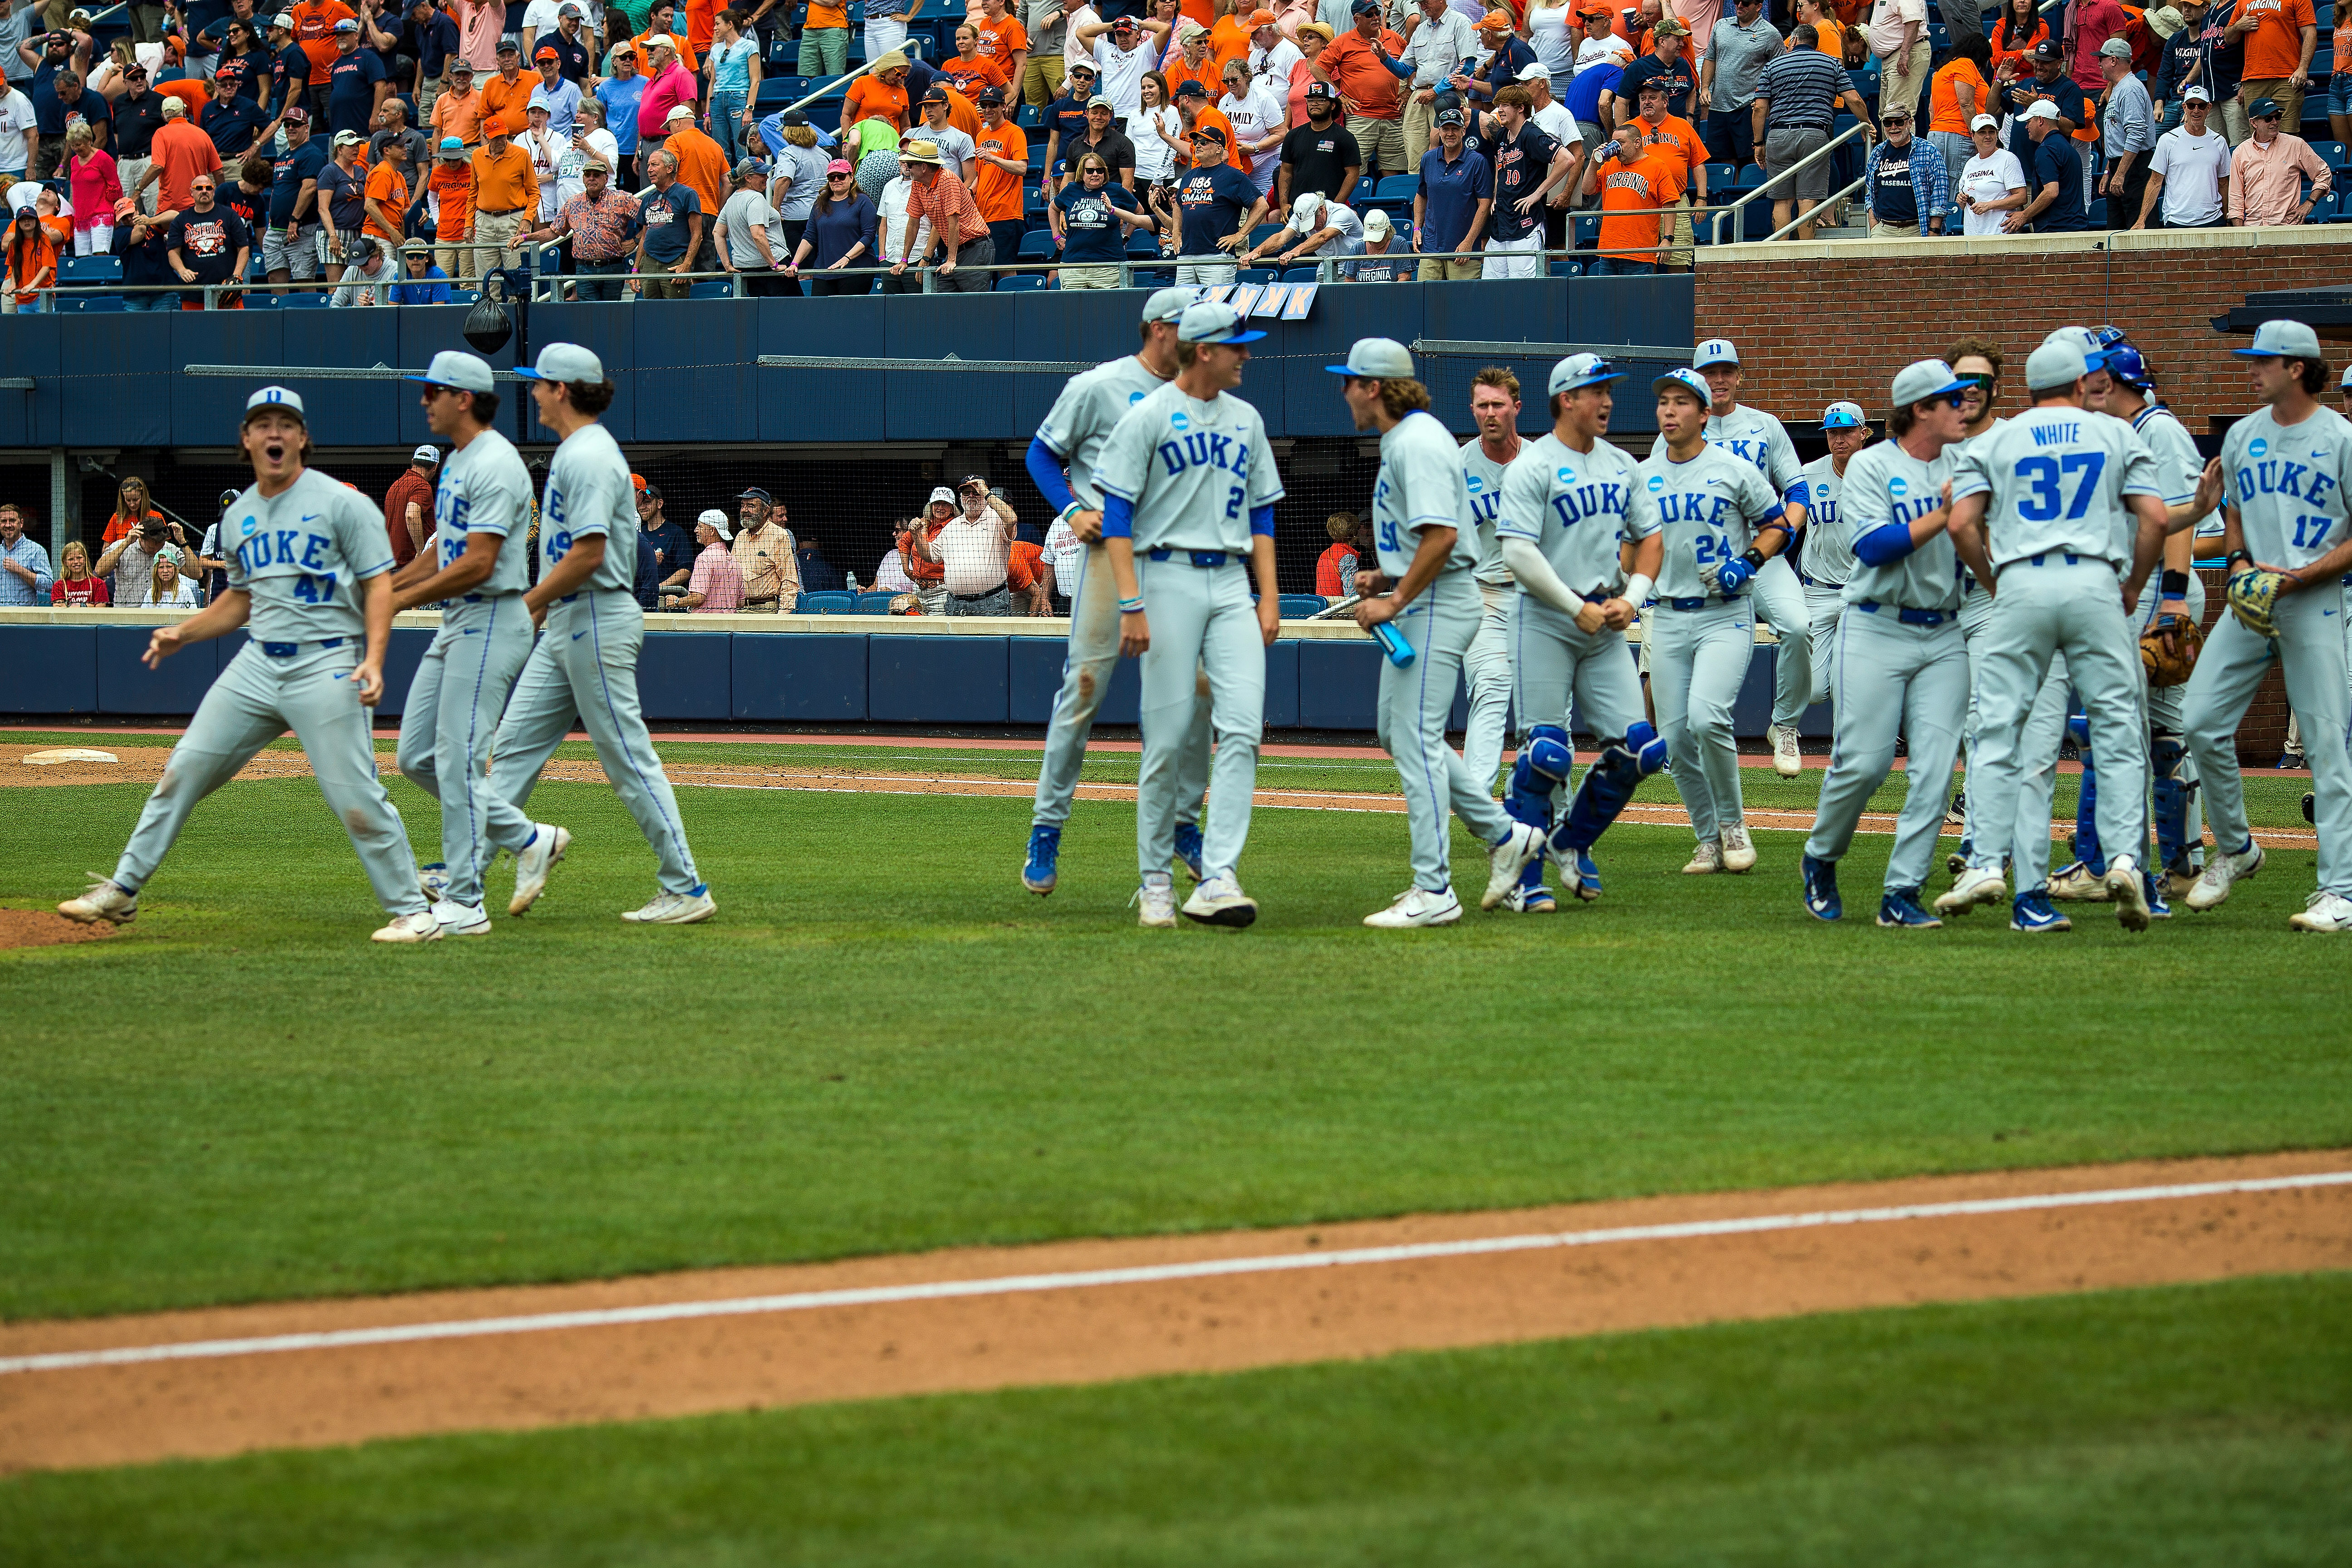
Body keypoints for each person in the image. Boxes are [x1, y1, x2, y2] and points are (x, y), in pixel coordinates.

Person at [58, 385, 438, 944]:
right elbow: (241, 599)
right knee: (181, 772)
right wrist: (183, 632)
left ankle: (414, 911)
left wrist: (376, 658)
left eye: (286, 423)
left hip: (327, 663)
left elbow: (379, 585)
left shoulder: (343, 504)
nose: (275, 433)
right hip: (258, 665)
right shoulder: (240, 519)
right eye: (263, 424)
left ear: (303, 438)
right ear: (246, 439)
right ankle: (124, 888)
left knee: (355, 796)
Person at [1938, 333, 2172, 933]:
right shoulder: (2117, 432)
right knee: (2118, 728)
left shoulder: (2001, 437)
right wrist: (2134, 582)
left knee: (2000, 730)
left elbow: (1963, 523)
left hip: (2021, 584)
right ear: (2080, 385)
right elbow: (2156, 517)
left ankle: (1990, 860)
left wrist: (1994, 579)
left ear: (2028, 387)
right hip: (2095, 580)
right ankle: (2123, 859)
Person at [489, 342, 714, 926]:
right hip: (568, 616)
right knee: (511, 749)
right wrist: (539, 612)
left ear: (561, 390)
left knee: (627, 761)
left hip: (596, 614)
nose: (532, 390)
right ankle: (458, 876)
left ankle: (686, 887)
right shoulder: (574, 452)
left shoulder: (588, 455)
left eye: (539, 382)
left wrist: (528, 604)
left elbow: (588, 553)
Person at [1326, 337, 1544, 926]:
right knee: (1399, 734)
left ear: (1374, 387)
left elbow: (1443, 537)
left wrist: (1395, 597)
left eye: (1349, 380)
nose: (1343, 389)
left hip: (1440, 603)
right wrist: (1388, 574)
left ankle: (1435, 889)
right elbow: (1432, 537)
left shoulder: (1415, 442)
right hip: (1436, 596)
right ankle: (1505, 835)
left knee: (1415, 738)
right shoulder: (1412, 437)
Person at [1089, 299, 1281, 928]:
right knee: (1168, 739)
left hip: (1230, 583)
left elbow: (1261, 515)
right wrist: (1131, 603)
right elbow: (1117, 517)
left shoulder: (1246, 419)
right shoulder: (1148, 416)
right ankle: (1155, 883)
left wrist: (1269, 597)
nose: (1245, 355)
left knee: (1244, 728)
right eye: (1236, 346)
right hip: (1164, 576)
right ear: (1204, 351)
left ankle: (1218, 874)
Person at [2173, 319, 2352, 927]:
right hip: (2252, 601)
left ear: (2298, 367)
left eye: (2263, 360)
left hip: (2315, 600)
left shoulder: (2341, 439)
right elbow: (2234, 509)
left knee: (2328, 747)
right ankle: (2240, 849)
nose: (2252, 368)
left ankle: (2342, 890)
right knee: (2198, 719)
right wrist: (2244, 562)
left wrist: (2298, 578)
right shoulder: (2245, 433)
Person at [1020, 286, 1198, 896]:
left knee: (1193, 692)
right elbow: (1042, 455)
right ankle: (1047, 827)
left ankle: (1183, 824)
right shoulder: (1099, 386)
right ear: (1157, 329)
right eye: (1185, 327)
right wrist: (1071, 510)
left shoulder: (1198, 391)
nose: (1195, 337)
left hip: (1172, 558)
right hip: (1106, 553)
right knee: (1085, 690)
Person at [1798, 361, 1972, 929]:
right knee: (1865, 764)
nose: (1963, 408)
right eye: (1950, 400)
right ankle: (1821, 857)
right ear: (1921, 409)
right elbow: (1874, 547)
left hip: (1946, 631)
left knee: (1936, 767)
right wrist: (1947, 515)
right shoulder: (1872, 465)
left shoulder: (1968, 463)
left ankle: (1903, 891)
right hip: (1876, 625)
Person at [378, 351, 539, 935]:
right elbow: (439, 552)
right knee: (416, 756)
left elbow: (478, 562)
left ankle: (465, 903)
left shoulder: (495, 462)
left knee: (459, 760)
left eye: (434, 391)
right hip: (459, 622)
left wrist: (396, 602)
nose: (425, 400)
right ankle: (528, 838)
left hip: (493, 617)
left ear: (464, 398)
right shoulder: (457, 461)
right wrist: (384, 588)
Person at [1639, 365, 1792, 876]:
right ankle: (1706, 838)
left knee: (1708, 718)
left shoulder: (1733, 468)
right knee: (1677, 738)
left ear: (1705, 414)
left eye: (1682, 402)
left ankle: (1734, 828)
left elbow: (1777, 527)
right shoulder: (1644, 474)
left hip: (1725, 614)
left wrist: (1746, 562)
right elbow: (1631, 546)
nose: (1670, 410)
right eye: (1664, 401)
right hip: (1667, 616)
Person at [1643, 338, 1815, 776]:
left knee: (1797, 627)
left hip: (1761, 557)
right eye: (1710, 372)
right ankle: (1673, 744)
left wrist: (1775, 540)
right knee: (1670, 653)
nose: (1719, 379)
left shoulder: (1765, 426)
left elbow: (1797, 492)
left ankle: (1786, 726)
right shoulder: (1670, 439)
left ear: (1740, 376)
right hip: (1696, 565)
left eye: (1726, 371)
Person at [1453, 366, 1521, 804]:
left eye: (1499, 404)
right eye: (1483, 405)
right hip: (1484, 595)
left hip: (1541, 597)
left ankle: (1549, 804)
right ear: (1473, 410)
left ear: (1516, 406)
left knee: (1550, 711)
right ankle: (1477, 799)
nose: (1491, 413)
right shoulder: (1457, 465)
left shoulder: (1543, 461)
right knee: (1491, 687)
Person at [1751, 24, 1869, 241]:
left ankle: (1780, 258)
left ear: (1794, 41)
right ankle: (1806, 258)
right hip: (1815, 136)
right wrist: (1866, 123)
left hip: (1779, 135)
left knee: (1782, 201)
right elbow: (1854, 99)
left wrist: (1759, 144)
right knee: (1808, 200)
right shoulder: (1831, 63)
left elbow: (1760, 108)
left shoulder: (1773, 66)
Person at [1791, 400, 1867, 721]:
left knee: (1847, 686)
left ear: (1864, 433)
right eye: (1832, 432)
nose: (1839, 439)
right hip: (1817, 590)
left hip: (1861, 592)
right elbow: (1786, 524)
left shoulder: (1879, 473)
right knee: (1814, 691)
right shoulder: (1808, 475)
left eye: (1847, 432)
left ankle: (1843, 763)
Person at [1156, 120, 1264, 284]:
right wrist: (1177, 233)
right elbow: (1178, 204)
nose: (1198, 145)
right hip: (1186, 255)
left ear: (1219, 148)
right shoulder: (1189, 175)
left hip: (1217, 257)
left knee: (1215, 308)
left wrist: (1240, 235)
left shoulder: (1233, 176)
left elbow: (1262, 205)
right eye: (1196, 142)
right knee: (1184, 308)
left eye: (1204, 142)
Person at [894, 135, 995, 290]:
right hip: (957, 251)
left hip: (975, 248)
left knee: (975, 305)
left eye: (910, 164)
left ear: (924, 167)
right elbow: (914, 222)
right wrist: (904, 260)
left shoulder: (947, 180)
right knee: (940, 299)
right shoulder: (918, 183)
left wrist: (951, 260)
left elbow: (954, 223)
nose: (906, 168)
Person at [1051, 145, 1149, 285]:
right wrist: (1056, 235)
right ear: (1082, 173)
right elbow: (1053, 208)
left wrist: (1126, 236)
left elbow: (1139, 211)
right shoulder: (1071, 190)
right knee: (1072, 308)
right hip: (1073, 267)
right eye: (1090, 171)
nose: (1095, 174)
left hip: (1109, 268)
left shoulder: (1115, 190)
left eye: (1100, 170)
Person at [1398, 0, 1477, 172]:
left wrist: (1436, 90)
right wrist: (1384, 59)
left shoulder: (1460, 22)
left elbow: (1467, 65)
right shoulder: (1420, 29)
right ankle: (1418, 197)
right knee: (1415, 159)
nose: (1422, 6)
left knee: (1451, 154)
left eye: (1425, 2)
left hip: (1449, 96)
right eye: (1420, 3)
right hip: (1419, 96)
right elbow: (1405, 69)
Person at [2135, 84, 2229, 227]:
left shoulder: (2219, 142)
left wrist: (2227, 219)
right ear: (2184, 108)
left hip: (2213, 220)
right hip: (2177, 220)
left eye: (2201, 106)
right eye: (2192, 106)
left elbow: (2224, 183)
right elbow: (2155, 182)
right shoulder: (2167, 140)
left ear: (2209, 108)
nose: (2196, 110)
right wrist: (2141, 220)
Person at [1411, 104, 1489, 276]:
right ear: (1439, 131)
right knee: (1427, 300)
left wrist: (1469, 242)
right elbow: (1421, 196)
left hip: (1463, 251)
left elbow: (1484, 205)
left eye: (1455, 128)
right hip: (1431, 248)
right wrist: (1417, 229)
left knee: (1463, 302)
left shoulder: (1477, 162)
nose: (1450, 133)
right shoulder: (1428, 159)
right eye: (1446, 128)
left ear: (1464, 131)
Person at [2227, 95, 2328, 223]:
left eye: (2278, 117)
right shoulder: (2241, 152)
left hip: (2287, 226)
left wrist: (2309, 203)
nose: (2275, 122)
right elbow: (2236, 199)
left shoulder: (2295, 145)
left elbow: (2323, 174)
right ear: (2254, 123)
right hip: (2253, 228)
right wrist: (2241, 236)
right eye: (2268, 119)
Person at [1696, 0, 1773, 168]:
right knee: (1724, 161)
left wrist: (1767, 102)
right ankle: (1731, 195)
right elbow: (1710, 58)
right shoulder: (1721, 26)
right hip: (1718, 107)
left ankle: (1753, 193)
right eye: (1736, 2)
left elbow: (1778, 69)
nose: (1740, 6)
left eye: (1745, 3)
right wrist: (1705, 88)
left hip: (1748, 107)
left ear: (1759, 6)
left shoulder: (1769, 33)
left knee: (1750, 160)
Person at [785, 156, 877, 293]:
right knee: (820, 312)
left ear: (851, 177)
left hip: (856, 270)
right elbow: (809, 237)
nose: (836, 180)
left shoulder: (863, 202)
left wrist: (847, 258)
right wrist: (795, 263)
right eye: (832, 177)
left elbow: (868, 236)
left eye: (841, 176)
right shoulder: (820, 203)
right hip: (824, 271)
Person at [2230, 0, 2315, 136]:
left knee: (2288, 137)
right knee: (2258, 136)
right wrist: (2238, 26)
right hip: (2253, 79)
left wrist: (2303, 68)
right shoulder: (2242, 1)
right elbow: (2229, 38)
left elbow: (2310, 33)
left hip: (2288, 78)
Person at [1861, 103, 1948, 235]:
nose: (1893, 128)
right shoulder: (1878, 152)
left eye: (1899, 122)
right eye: (1888, 123)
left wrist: (1934, 232)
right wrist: (1873, 223)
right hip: (1884, 229)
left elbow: (1939, 195)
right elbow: (1870, 193)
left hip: (1918, 228)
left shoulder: (1928, 150)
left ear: (1910, 123)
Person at [1276, 79, 1359, 216]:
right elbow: (1286, 171)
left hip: (1328, 210)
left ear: (1333, 105)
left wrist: (1336, 206)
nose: (1314, 104)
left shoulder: (1345, 137)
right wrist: (1284, 204)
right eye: (1311, 100)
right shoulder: (1293, 136)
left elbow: (1353, 175)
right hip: (1298, 210)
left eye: (1321, 100)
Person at [2097, 36, 2154, 226]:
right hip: (2120, 165)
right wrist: (2109, 172)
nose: (2099, 65)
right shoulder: (2119, 88)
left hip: (2134, 166)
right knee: (2116, 230)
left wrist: (2120, 173)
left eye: (2102, 59)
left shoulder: (2130, 89)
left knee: (2136, 229)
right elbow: (2118, 136)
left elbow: (2136, 135)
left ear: (2113, 60)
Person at [629, 144, 701, 294]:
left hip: (675, 261)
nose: (649, 170)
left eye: (654, 165)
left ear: (670, 168)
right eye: (648, 165)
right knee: (650, 313)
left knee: (675, 314)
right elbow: (644, 236)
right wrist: (636, 270)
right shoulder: (648, 198)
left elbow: (697, 235)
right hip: (648, 263)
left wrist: (686, 264)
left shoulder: (687, 195)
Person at [1925, 35, 1991, 187]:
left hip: (1937, 135)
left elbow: (1931, 110)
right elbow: (1967, 104)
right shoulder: (1965, 64)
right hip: (1959, 136)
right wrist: (1977, 134)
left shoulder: (1943, 70)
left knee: (1939, 191)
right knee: (1957, 191)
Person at [1239, 185, 1361, 266]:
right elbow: (1282, 237)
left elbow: (1323, 237)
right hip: (1327, 265)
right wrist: (1258, 251)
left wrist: (1295, 251)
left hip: (1356, 264)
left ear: (1322, 210)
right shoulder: (1299, 215)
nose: (1312, 228)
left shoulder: (1342, 212)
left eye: (1312, 222)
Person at [2013, 98, 2088, 229]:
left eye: (2029, 122)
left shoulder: (2047, 149)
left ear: (2041, 121)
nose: (2026, 127)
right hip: (2075, 226)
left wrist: (2024, 215)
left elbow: (2051, 192)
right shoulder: (2068, 148)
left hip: (2056, 230)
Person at [715, 155, 786, 290]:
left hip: (745, 268)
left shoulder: (732, 200)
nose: (766, 177)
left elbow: (717, 232)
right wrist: (774, 265)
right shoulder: (755, 198)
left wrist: (727, 265)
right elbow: (758, 235)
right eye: (761, 174)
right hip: (769, 270)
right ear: (748, 178)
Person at [1955, 111, 2028, 233]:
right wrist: (1961, 200)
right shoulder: (1970, 164)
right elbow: (1965, 204)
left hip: (1999, 232)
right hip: (1973, 234)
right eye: (1982, 132)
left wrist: (1989, 205)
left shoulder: (2008, 159)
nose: (1988, 136)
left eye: (1992, 131)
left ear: (1997, 134)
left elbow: (2021, 197)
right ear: (1972, 136)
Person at [729, 485, 797, 609]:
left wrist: (783, 616)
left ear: (765, 511)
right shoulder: (740, 537)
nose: (744, 510)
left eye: (751, 506)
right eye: (743, 506)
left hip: (766, 611)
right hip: (739, 610)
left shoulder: (779, 536)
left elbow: (789, 581)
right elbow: (732, 575)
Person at [660, 509, 743, 610]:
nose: (696, 530)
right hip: (729, 623)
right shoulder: (735, 561)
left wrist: (677, 602)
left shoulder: (705, 558)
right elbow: (740, 602)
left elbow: (698, 598)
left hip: (705, 623)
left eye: (700, 526)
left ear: (712, 531)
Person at [1866, 0, 1928, 119]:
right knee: (1887, 114)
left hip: (1906, 53)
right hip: (1891, 57)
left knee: (1899, 114)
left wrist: (1905, 55)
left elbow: (1913, 20)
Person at [382, 441, 436, 568]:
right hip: (411, 566)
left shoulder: (395, 486)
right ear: (435, 467)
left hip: (392, 564)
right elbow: (411, 515)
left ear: (413, 461)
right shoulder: (422, 486)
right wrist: (421, 551)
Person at [0, 495, 51, 605]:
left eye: (12, 521)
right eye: (4, 521)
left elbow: (49, 585)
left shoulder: (36, 550)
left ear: (21, 523)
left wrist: (20, 570)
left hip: (23, 619)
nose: (8, 525)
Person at [2, 198, 51, 309]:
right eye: (23, 220)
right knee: (24, 327)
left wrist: (32, 285)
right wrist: (14, 284)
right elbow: (14, 266)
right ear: (18, 223)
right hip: (22, 297)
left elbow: (47, 267)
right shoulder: (15, 244)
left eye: (30, 219)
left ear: (36, 221)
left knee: (46, 326)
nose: (27, 222)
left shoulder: (44, 240)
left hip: (41, 294)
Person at [1313, 511, 1362, 596]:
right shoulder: (1348, 557)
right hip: (1340, 607)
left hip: (1323, 607)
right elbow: (1351, 595)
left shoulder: (1324, 555)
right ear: (1354, 533)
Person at [48, 538, 107, 606]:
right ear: (65, 563)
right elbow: (58, 608)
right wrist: (88, 606)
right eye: (71, 559)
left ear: (85, 559)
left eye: (79, 558)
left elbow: (100, 609)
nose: (76, 562)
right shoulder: (59, 586)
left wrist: (69, 606)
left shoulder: (98, 584)